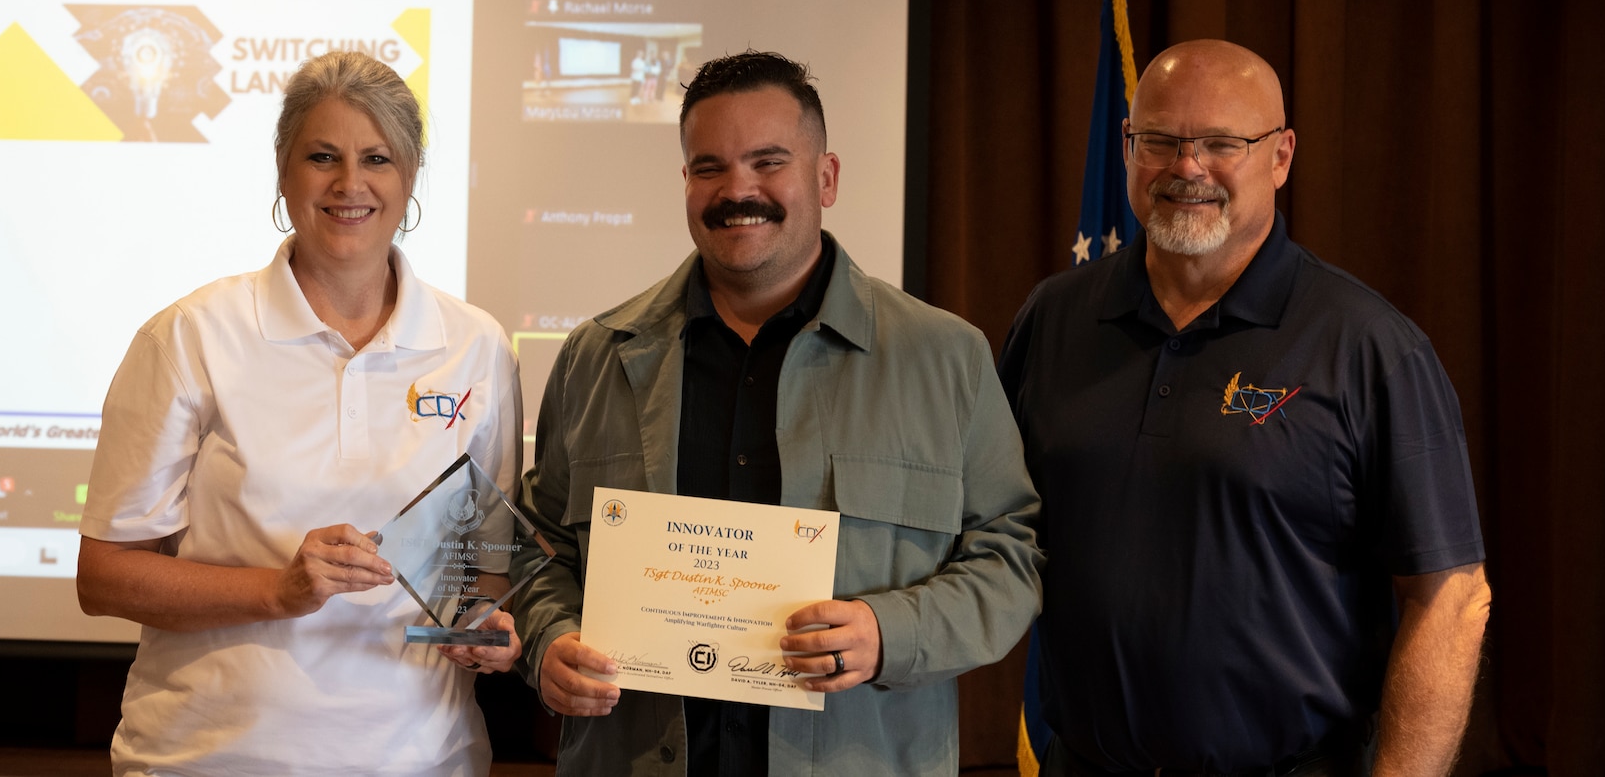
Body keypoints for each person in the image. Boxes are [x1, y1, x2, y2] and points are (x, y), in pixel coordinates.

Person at [512, 49, 1044, 775]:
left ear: (825, 176)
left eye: (768, 162)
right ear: (686, 181)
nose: (738, 190)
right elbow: (537, 546)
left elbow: (1011, 556)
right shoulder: (597, 356)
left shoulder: (943, 357)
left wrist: (888, 633)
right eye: (710, 167)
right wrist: (549, 639)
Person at [1000, 40, 1492, 777]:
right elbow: (986, 527)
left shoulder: (1368, 347)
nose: (1186, 167)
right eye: (1159, 140)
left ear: (1281, 155)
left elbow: (1450, 596)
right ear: (1129, 148)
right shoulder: (1054, 318)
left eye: (1222, 143)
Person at [77, 50, 523, 777]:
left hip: (420, 759)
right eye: (323, 156)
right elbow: (103, 577)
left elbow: (486, 572)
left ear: (409, 179)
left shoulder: (477, 346)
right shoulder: (192, 334)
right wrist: (278, 589)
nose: (350, 183)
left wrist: (489, 631)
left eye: (377, 158)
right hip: (209, 757)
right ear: (284, 174)